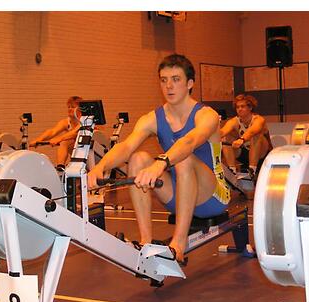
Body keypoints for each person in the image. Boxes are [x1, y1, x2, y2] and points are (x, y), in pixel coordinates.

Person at [87, 54, 230, 263]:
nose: (169, 86)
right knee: (137, 158)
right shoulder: (152, 118)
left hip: (213, 197)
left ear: (190, 83)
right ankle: (145, 241)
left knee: (184, 158)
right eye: (164, 80)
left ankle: (178, 245)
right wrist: (100, 166)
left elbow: (189, 142)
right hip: (178, 197)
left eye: (176, 79)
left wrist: (161, 162)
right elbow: (126, 146)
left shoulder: (206, 115)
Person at [220, 94, 273, 179]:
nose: (239, 109)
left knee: (256, 135)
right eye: (237, 107)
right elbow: (223, 131)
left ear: (250, 108)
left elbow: (253, 130)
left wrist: (242, 139)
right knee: (226, 138)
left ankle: (252, 170)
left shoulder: (258, 119)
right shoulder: (234, 121)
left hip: (262, 154)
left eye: (242, 106)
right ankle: (232, 171)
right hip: (245, 154)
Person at [30, 96, 82, 170]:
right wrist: (38, 140)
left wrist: (59, 139)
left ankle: (61, 167)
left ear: (79, 109)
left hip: (91, 153)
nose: (70, 109)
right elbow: (52, 131)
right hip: (79, 156)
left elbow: (75, 133)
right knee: (64, 141)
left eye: (73, 107)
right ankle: (60, 167)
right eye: (69, 107)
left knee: (65, 141)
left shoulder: (85, 121)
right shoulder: (66, 122)